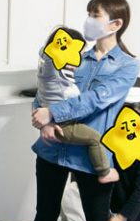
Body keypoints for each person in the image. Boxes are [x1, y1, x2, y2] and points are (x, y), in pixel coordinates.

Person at [30, 0, 140, 221]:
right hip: (53, 147)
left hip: (92, 154)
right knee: (45, 216)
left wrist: (53, 113)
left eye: (95, 15)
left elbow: (95, 100)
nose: (88, 20)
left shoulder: (127, 65)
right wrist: (43, 119)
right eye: (88, 13)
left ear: (115, 24)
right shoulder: (75, 53)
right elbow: (45, 88)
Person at [34, 26, 119, 184]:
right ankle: (104, 172)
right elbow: (38, 102)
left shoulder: (59, 74)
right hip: (63, 127)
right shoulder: (53, 71)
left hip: (65, 134)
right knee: (94, 138)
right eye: (77, 52)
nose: (79, 58)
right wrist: (44, 123)